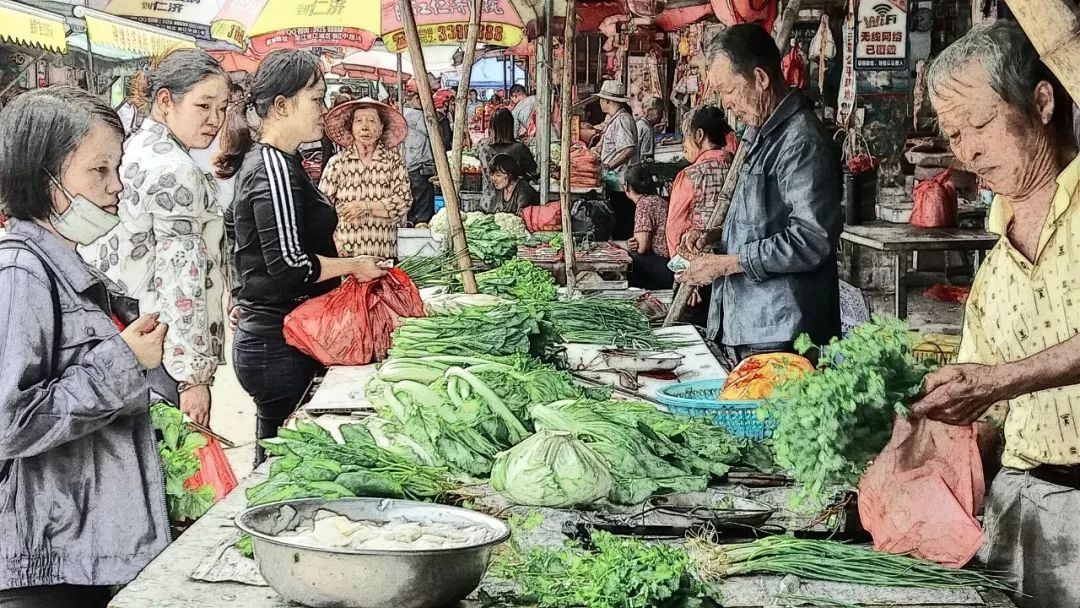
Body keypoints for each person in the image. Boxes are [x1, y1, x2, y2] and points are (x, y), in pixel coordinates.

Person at [907, 22, 1079, 608]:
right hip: (1021, 501)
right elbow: (986, 408)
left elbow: (999, 381)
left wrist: (1003, 378)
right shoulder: (996, 260)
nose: (968, 149)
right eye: (955, 133)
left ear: (1042, 102)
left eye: (980, 123)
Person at [0, 86, 170, 607]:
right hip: (46, 561)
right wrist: (122, 360)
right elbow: (9, 422)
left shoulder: (67, 265)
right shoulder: (21, 274)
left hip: (84, 546)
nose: (115, 186)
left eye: (115, 169)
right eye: (99, 171)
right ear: (44, 177)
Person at [215, 50, 387, 463]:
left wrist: (243, 293)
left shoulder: (280, 164)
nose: (323, 110)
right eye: (316, 98)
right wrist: (355, 266)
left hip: (281, 334)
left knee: (276, 456)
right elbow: (292, 266)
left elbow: (240, 239)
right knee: (281, 462)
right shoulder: (271, 166)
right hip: (279, 342)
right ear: (282, 105)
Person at [676, 24, 842, 365]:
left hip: (782, 332)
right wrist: (714, 237)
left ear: (761, 78)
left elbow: (811, 239)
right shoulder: (760, 134)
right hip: (750, 326)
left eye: (730, 90)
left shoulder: (801, 141)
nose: (727, 104)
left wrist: (726, 264)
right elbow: (765, 222)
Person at [81, 48, 229, 426]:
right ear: (165, 100)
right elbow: (183, 279)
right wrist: (191, 377)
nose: (215, 119)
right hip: (159, 343)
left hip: (122, 329)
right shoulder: (175, 169)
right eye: (204, 106)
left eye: (223, 108)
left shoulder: (134, 149)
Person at [321, 98, 411, 259]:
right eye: (359, 121)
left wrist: (366, 207)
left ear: (382, 127)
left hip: (383, 253)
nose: (365, 127)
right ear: (351, 127)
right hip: (346, 254)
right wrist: (333, 242)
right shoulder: (337, 163)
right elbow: (321, 209)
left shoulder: (393, 162)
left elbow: (403, 202)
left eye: (371, 121)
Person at [594, 80, 640, 239]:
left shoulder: (622, 120)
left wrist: (608, 166)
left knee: (622, 226)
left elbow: (628, 148)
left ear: (608, 101)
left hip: (623, 184)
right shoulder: (615, 119)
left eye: (602, 99)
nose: (600, 102)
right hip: (616, 183)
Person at [624, 163, 673, 290]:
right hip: (669, 262)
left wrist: (635, 245)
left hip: (664, 265)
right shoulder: (658, 200)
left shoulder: (644, 204)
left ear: (627, 187)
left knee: (631, 259)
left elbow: (642, 247)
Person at [480, 108, 538, 212]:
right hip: (512, 205)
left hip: (487, 201)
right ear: (510, 126)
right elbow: (534, 172)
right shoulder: (519, 148)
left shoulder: (482, 147)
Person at [402, 87, 437, 226]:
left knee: (413, 202)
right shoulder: (415, 115)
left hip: (410, 164)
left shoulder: (404, 112)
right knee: (423, 205)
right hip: (417, 165)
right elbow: (433, 132)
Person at [636, 95, 664, 161]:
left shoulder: (639, 124)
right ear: (649, 112)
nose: (661, 116)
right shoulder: (647, 129)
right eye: (659, 112)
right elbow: (646, 158)